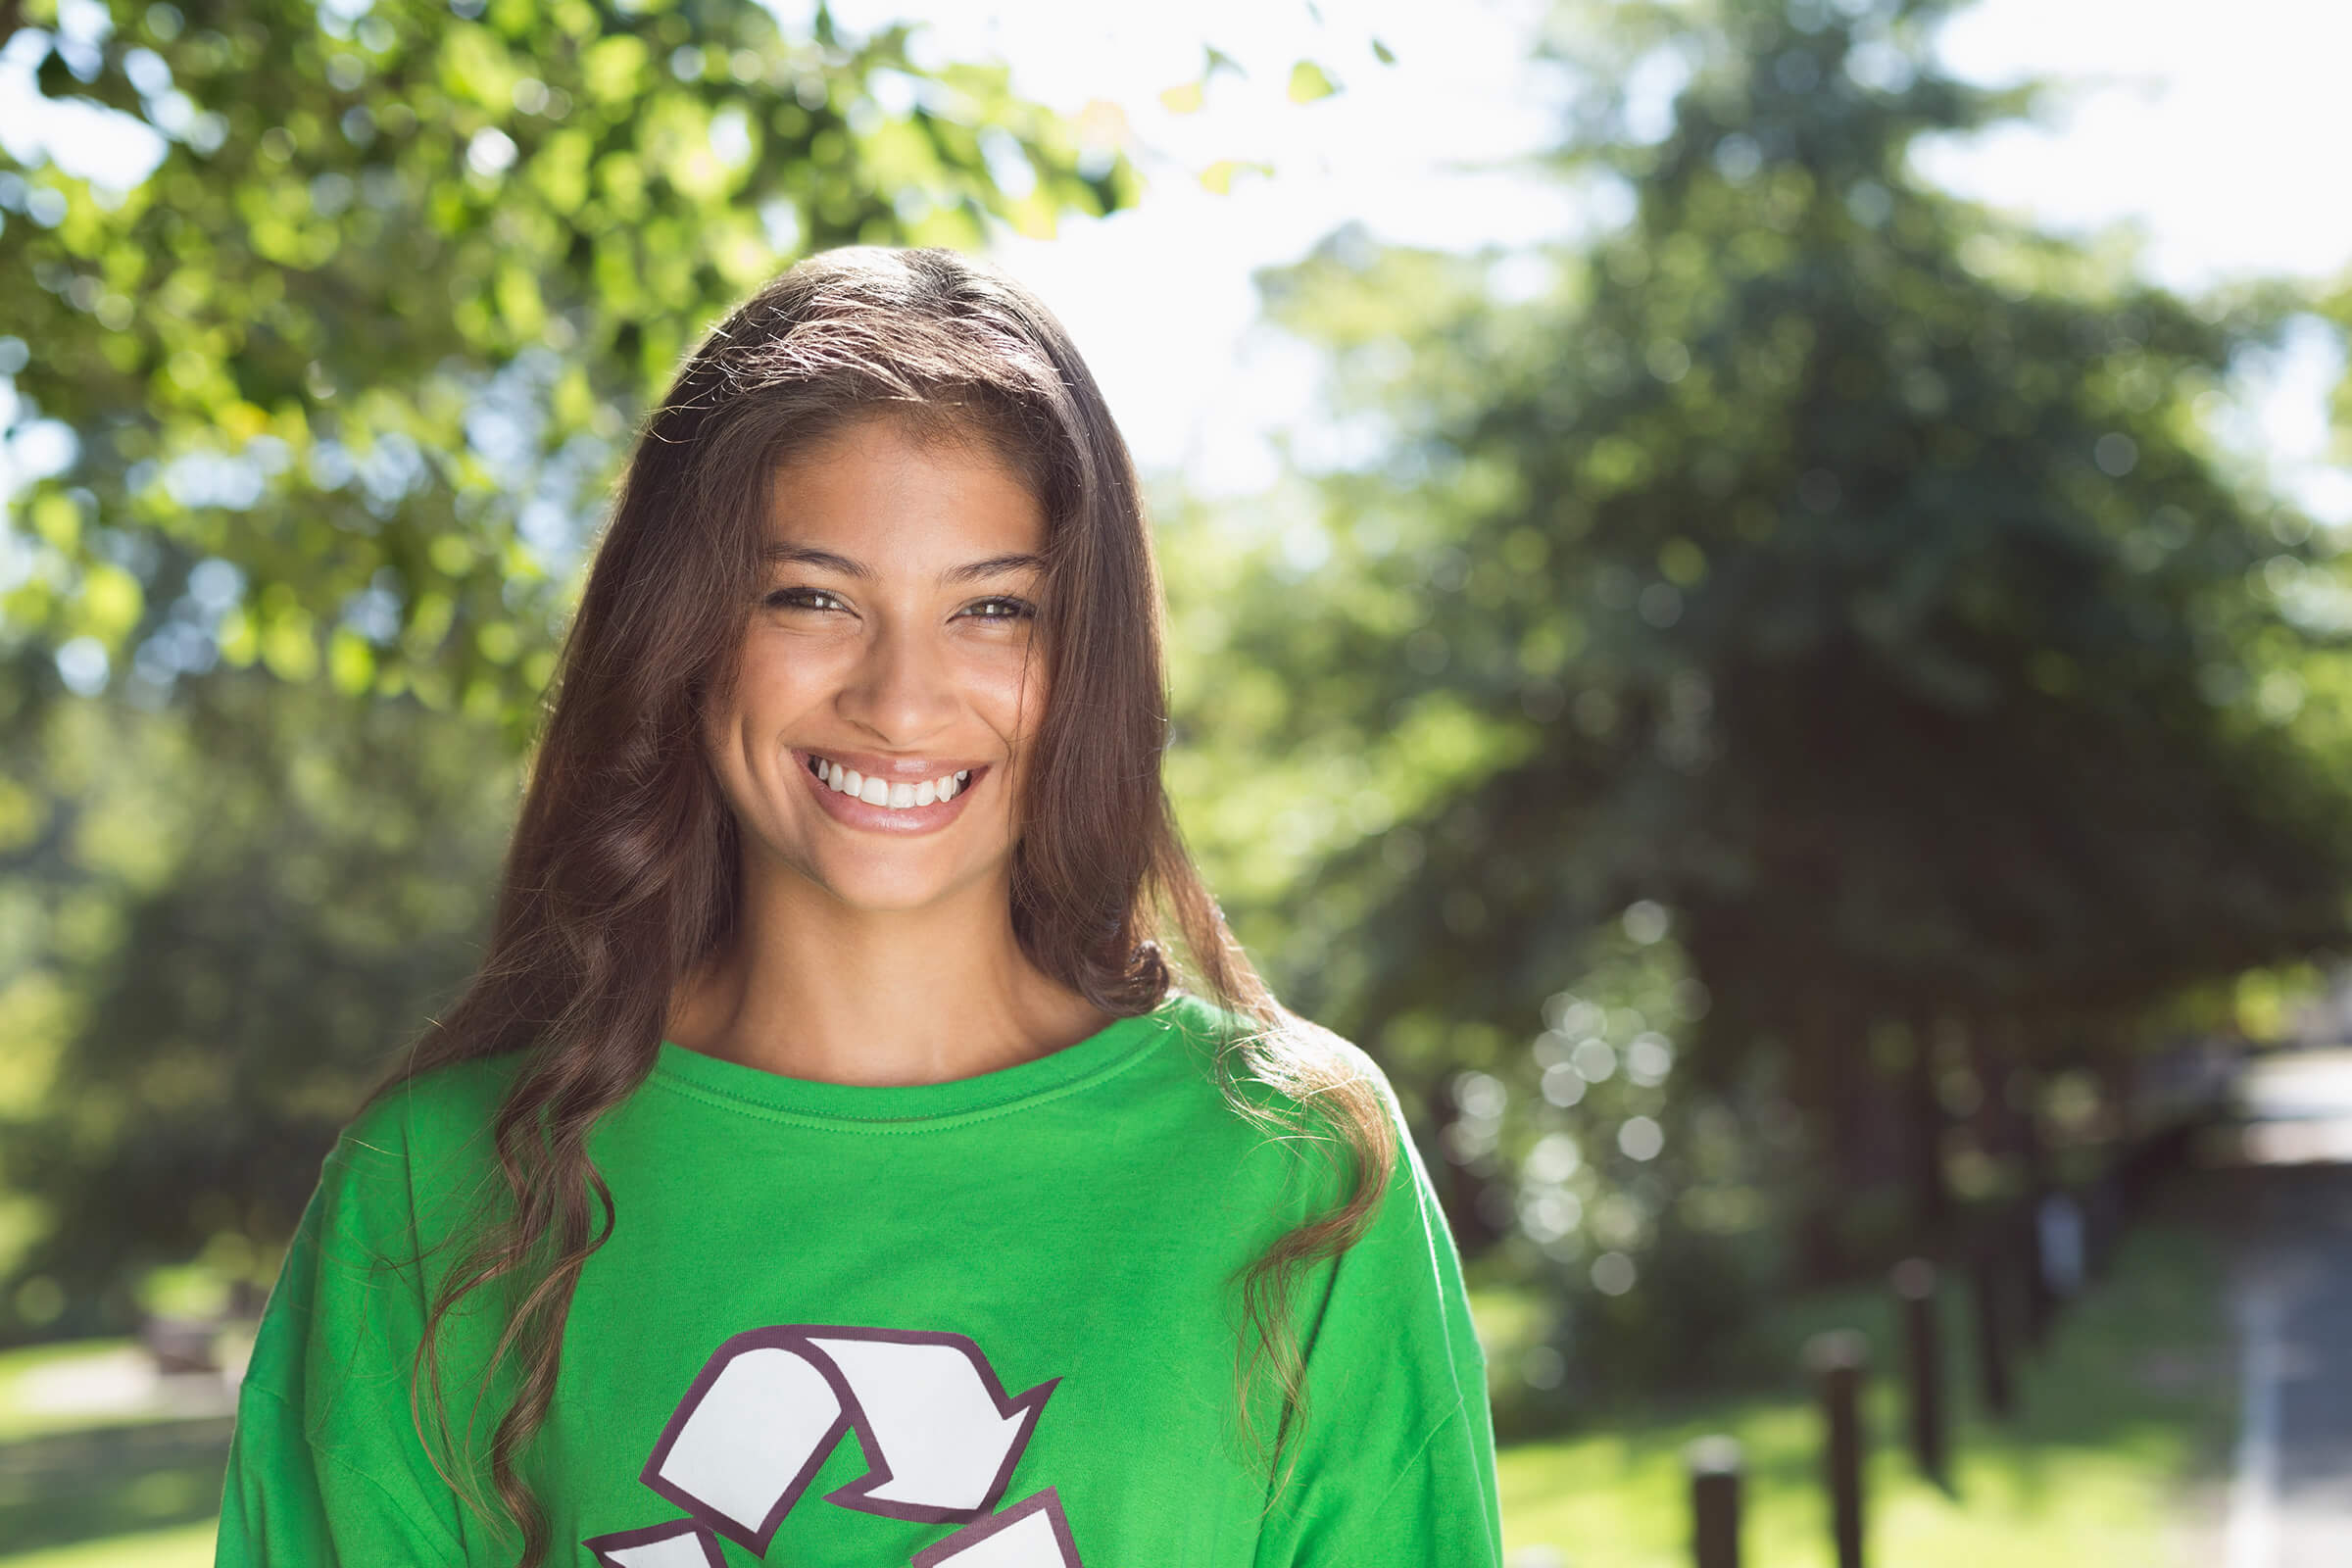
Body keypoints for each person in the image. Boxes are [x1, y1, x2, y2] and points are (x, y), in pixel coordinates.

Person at [213, 246, 1502, 1567]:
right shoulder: (438, 1190)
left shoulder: (1289, 1169)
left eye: (994, 609)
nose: (899, 700)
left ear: (1087, 660)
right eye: (812, 598)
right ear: (688, 633)